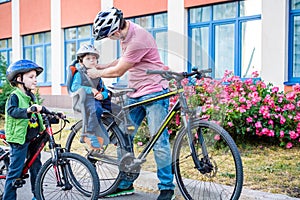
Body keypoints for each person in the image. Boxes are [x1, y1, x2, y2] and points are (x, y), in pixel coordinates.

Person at [89, 7, 175, 200]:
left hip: (154, 93)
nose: (111, 39)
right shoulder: (127, 34)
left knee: (159, 142)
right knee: (123, 138)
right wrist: (103, 65)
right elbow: (125, 60)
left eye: (109, 36)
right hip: (135, 93)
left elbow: (119, 71)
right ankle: (126, 183)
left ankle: (167, 188)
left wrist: (97, 73)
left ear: (116, 31)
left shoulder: (138, 39)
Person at [3, 59, 46, 200]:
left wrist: (53, 115)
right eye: (31, 77)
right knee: (15, 173)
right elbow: (12, 111)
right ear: (19, 78)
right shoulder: (15, 96)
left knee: (36, 168)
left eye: (35, 77)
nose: (35, 80)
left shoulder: (31, 96)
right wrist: (27, 110)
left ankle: (37, 195)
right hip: (19, 139)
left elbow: (38, 112)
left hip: (32, 138)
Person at [70, 44, 111, 150]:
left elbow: (104, 89)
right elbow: (74, 87)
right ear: (81, 61)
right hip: (86, 101)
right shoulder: (80, 74)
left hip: (99, 101)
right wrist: (90, 90)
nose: (92, 61)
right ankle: (90, 132)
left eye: (94, 58)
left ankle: (112, 133)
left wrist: (103, 94)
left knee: (116, 110)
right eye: (88, 58)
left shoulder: (97, 75)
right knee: (96, 109)